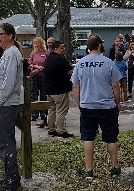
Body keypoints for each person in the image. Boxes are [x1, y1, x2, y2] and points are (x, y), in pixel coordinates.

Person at [72, 34, 122, 180]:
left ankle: (89, 170)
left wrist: (79, 102)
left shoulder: (80, 63)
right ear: (99, 45)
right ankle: (114, 167)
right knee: (111, 138)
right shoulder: (108, 62)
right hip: (107, 106)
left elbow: (75, 85)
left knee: (88, 137)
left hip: (87, 105)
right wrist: (118, 102)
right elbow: (115, 85)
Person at [0, 22, 25, 191]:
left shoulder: (12, 53)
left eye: (0, 34)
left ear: (10, 36)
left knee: (4, 142)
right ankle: (10, 175)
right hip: (4, 103)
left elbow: (9, 82)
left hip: (6, 104)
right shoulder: (8, 53)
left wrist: (0, 100)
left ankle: (11, 181)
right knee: (4, 140)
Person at [44, 40, 74, 138]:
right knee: (61, 111)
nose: (64, 49)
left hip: (49, 89)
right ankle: (61, 130)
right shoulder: (60, 59)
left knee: (52, 110)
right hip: (60, 89)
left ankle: (51, 129)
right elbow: (71, 72)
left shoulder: (48, 58)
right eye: (61, 47)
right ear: (55, 48)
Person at [28, 37, 49, 128]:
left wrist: (42, 68)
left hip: (43, 76)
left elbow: (48, 64)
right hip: (35, 76)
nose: (35, 45)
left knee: (44, 95)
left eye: (36, 43)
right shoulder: (33, 53)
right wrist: (35, 67)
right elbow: (29, 64)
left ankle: (44, 114)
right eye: (34, 43)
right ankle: (34, 114)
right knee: (34, 94)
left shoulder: (46, 53)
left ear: (41, 43)